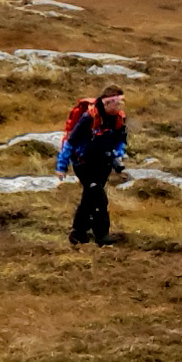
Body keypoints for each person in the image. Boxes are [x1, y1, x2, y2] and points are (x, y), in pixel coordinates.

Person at [56, 87, 129, 247]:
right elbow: (70, 143)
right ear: (107, 102)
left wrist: (118, 153)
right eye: (117, 103)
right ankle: (101, 234)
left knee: (90, 197)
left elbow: (120, 140)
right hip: (84, 163)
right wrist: (61, 166)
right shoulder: (88, 118)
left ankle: (79, 233)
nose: (119, 107)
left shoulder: (118, 118)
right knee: (98, 196)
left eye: (121, 103)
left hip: (103, 163)